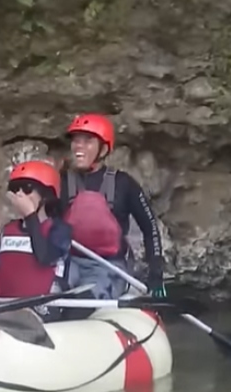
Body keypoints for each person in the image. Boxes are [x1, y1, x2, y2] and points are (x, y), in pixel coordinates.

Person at [61, 113, 166, 299]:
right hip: (69, 263)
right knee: (51, 290)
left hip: (108, 266)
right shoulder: (61, 181)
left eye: (87, 141)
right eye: (76, 140)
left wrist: (156, 273)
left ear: (103, 149)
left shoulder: (124, 183)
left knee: (84, 301)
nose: (78, 146)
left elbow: (149, 228)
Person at [0, 160, 72, 299]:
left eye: (27, 188)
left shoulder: (59, 230)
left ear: (46, 195)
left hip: (44, 307)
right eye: (15, 188)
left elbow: (45, 258)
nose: (20, 194)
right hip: (4, 306)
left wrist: (30, 215)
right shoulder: (8, 230)